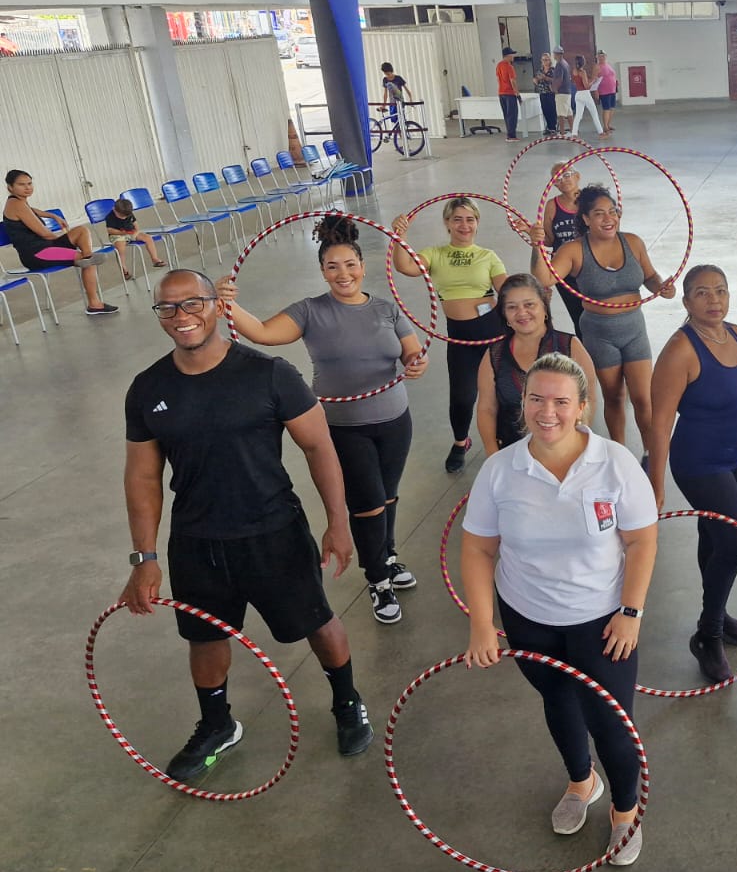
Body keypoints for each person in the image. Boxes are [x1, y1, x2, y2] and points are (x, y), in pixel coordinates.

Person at [120, 269, 373, 781]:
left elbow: (319, 447)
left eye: (192, 303)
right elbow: (143, 476)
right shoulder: (148, 389)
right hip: (197, 541)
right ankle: (217, 724)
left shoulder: (269, 373)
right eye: (167, 308)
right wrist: (144, 558)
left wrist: (338, 523)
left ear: (217, 306)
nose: (180, 316)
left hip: (273, 530)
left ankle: (347, 701)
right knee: (205, 638)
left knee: (317, 622)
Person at [461, 353, 657, 867]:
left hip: (602, 620)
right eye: (536, 399)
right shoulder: (500, 470)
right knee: (557, 701)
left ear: (582, 407)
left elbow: (641, 542)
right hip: (527, 616)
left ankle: (623, 812)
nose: (548, 412)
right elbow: (479, 549)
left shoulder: (614, 464)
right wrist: (483, 624)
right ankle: (580, 782)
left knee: (612, 724)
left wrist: (630, 613)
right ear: (522, 403)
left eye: (561, 402)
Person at [216, 215, 429, 625]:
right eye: (333, 267)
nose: (343, 274)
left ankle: (387, 554)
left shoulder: (387, 309)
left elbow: (412, 354)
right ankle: (378, 580)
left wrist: (416, 364)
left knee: (387, 495)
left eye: (349, 265)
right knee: (366, 504)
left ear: (363, 266)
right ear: (322, 272)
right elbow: (260, 332)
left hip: (394, 419)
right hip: (345, 427)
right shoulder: (309, 311)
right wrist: (228, 302)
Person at [646, 265, 737, 683]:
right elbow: (660, 423)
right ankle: (709, 633)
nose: (714, 300)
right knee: (735, 545)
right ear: (686, 302)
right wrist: (656, 482)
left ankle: (715, 612)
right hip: (699, 461)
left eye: (720, 290)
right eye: (702, 293)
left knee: (715, 537)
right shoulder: (680, 351)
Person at [529, 185, 674, 450]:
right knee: (615, 397)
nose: (609, 219)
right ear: (585, 219)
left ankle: (650, 453)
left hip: (634, 329)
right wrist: (537, 246)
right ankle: (618, 452)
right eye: (599, 213)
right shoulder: (574, 250)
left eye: (612, 211)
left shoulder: (633, 242)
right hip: (599, 333)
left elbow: (650, 276)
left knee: (643, 398)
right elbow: (543, 280)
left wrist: (662, 287)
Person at [392, 197, 509, 473]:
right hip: (459, 339)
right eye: (457, 219)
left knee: (500, 392)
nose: (464, 225)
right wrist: (400, 237)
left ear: (477, 223)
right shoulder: (434, 254)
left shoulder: (488, 256)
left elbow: (507, 290)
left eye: (470, 219)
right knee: (462, 397)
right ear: (447, 222)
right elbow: (405, 267)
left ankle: (504, 440)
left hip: (492, 335)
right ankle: (460, 442)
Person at [476, 274, 600, 452]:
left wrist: (576, 442)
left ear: (544, 306)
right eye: (512, 307)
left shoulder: (571, 346)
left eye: (529, 305)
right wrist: (492, 452)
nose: (521, 313)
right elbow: (486, 408)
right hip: (512, 452)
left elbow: (589, 399)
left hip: (564, 450)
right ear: (504, 314)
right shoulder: (493, 355)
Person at [3, 169, 117, 315]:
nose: (27, 187)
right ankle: (94, 302)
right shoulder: (15, 204)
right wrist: (60, 240)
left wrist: (52, 216)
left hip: (45, 247)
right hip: (36, 253)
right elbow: (45, 233)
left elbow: (33, 211)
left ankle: (87, 257)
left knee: (81, 231)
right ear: (10, 188)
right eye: (21, 184)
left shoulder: (20, 202)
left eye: (30, 183)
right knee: (84, 257)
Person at [531, 160, 587, 336]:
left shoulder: (591, 200)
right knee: (579, 316)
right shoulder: (551, 206)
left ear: (577, 176)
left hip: (590, 266)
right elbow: (549, 240)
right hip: (564, 270)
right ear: (553, 184)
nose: (564, 179)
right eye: (558, 177)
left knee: (597, 314)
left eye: (567, 174)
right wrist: (531, 233)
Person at [105, 196, 168, 280]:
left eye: (125, 216)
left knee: (148, 238)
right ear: (114, 210)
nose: (124, 218)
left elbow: (135, 224)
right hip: (117, 235)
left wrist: (136, 232)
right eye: (121, 216)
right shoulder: (110, 216)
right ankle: (124, 269)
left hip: (131, 232)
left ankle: (155, 259)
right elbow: (110, 230)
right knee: (121, 247)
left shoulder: (128, 213)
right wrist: (122, 233)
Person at [571, 54, 605, 136]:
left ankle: (574, 133)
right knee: (594, 114)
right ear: (582, 62)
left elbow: (577, 82)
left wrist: (589, 80)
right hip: (585, 94)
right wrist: (594, 80)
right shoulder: (583, 72)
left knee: (578, 116)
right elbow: (587, 86)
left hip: (578, 94)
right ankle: (601, 133)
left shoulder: (574, 71)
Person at [496, 46, 521, 142]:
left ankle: (509, 134)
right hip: (510, 94)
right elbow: (513, 81)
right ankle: (512, 135)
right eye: (512, 54)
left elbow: (498, 79)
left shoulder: (498, 65)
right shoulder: (509, 66)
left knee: (506, 114)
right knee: (512, 115)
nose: (513, 56)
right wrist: (517, 94)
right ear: (507, 56)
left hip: (501, 93)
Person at [549, 46, 574, 136]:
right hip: (567, 91)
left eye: (554, 54)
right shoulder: (566, 63)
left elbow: (559, 79)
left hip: (561, 92)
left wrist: (554, 89)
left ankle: (562, 133)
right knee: (569, 112)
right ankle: (573, 131)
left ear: (556, 54)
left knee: (561, 114)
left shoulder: (559, 65)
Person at [379, 61, 412, 125]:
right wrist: (384, 105)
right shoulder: (385, 79)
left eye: (387, 72)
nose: (386, 74)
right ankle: (398, 135)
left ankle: (402, 135)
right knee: (395, 122)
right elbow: (385, 94)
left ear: (390, 70)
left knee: (401, 120)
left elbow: (407, 90)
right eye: (385, 73)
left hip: (400, 102)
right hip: (392, 103)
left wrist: (410, 99)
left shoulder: (398, 78)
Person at [534, 51, 559, 136]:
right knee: (545, 110)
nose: (545, 61)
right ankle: (548, 126)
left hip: (550, 92)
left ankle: (553, 127)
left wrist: (545, 77)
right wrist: (535, 80)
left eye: (547, 60)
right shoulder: (540, 70)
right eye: (544, 60)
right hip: (542, 93)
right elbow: (536, 79)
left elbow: (555, 80)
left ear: (550, 60)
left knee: (552, 110)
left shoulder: (553, 70)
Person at [595, 51, 619, 136]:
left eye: (603, 56)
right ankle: (605, 127)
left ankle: (608, 125)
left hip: (612, 90)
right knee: (606, 109)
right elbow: (595, 80)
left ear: (606, 56)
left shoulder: (608, 64)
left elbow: (613, 75)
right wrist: (596, 91)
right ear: (597, 57)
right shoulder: (597, 67)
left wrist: (616, 82)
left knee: (612, 108)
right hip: (604, 91)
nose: (602, 58)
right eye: (600, 56)